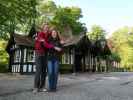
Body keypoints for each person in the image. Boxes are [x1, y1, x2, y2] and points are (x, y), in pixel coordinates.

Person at [33, 24, 61, 93]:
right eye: (45, 27)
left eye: (47, 28)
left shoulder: (48, 35)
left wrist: (61, 41)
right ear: (42, 28)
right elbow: (45, 44)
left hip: (45, 55)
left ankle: (42, 87)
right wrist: (54, 47)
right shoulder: (40, 34)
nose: (46, 29)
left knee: (43, 72)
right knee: (38, 70)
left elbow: (55, 35)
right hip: (39, 54)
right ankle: (36, 87)